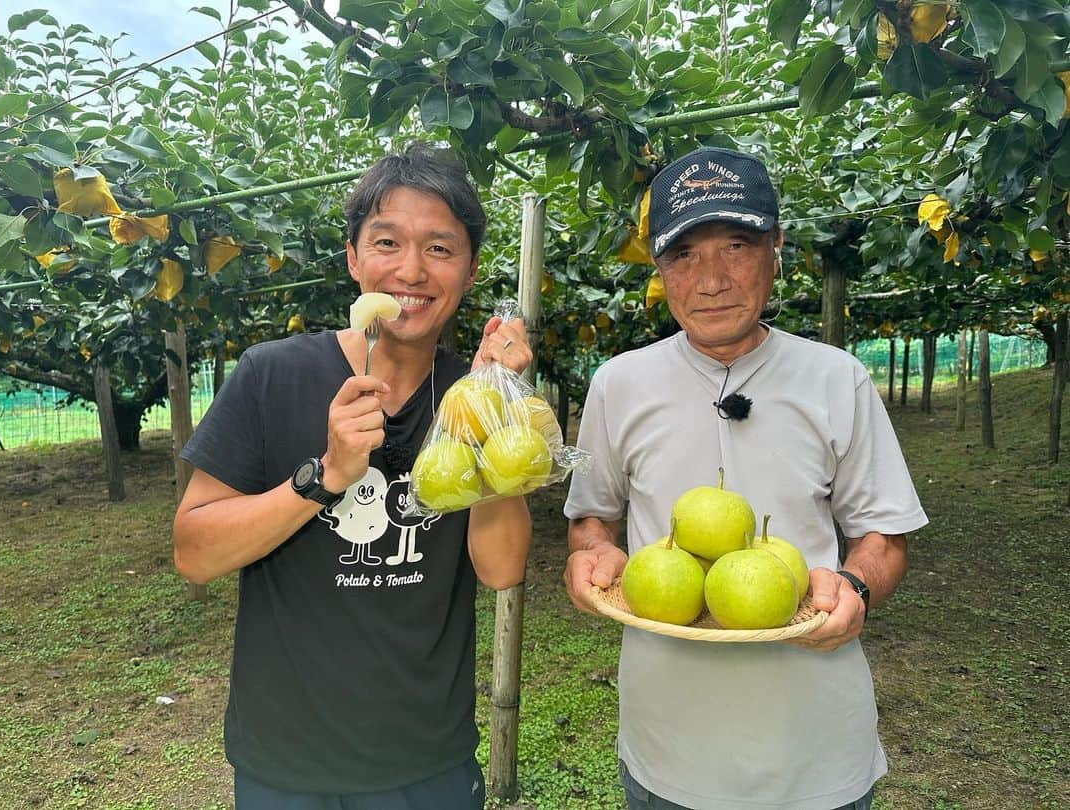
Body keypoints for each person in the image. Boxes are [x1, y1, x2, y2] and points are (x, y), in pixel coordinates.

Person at [563, 145, 928, 810]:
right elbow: (593, 516)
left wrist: (855, 587)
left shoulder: (835, 379)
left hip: (816, 758)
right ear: (659, 268)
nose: (711, 279)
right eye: (684, 255)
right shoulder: (618, 385)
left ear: (776, 247)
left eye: (735, 245)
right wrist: (592, 554)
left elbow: (885, 533)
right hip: (665, 752)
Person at [172, 144, 533, 809]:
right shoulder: (272, 374)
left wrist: (492, 408)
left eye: (440, 249)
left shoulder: (466, 395)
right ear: (353, 259)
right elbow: (194, 553)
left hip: (428, 762)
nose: (411, 271)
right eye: (387, 242)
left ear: (469, 270)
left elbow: (503, 569)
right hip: (287, 765)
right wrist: (326, 475)